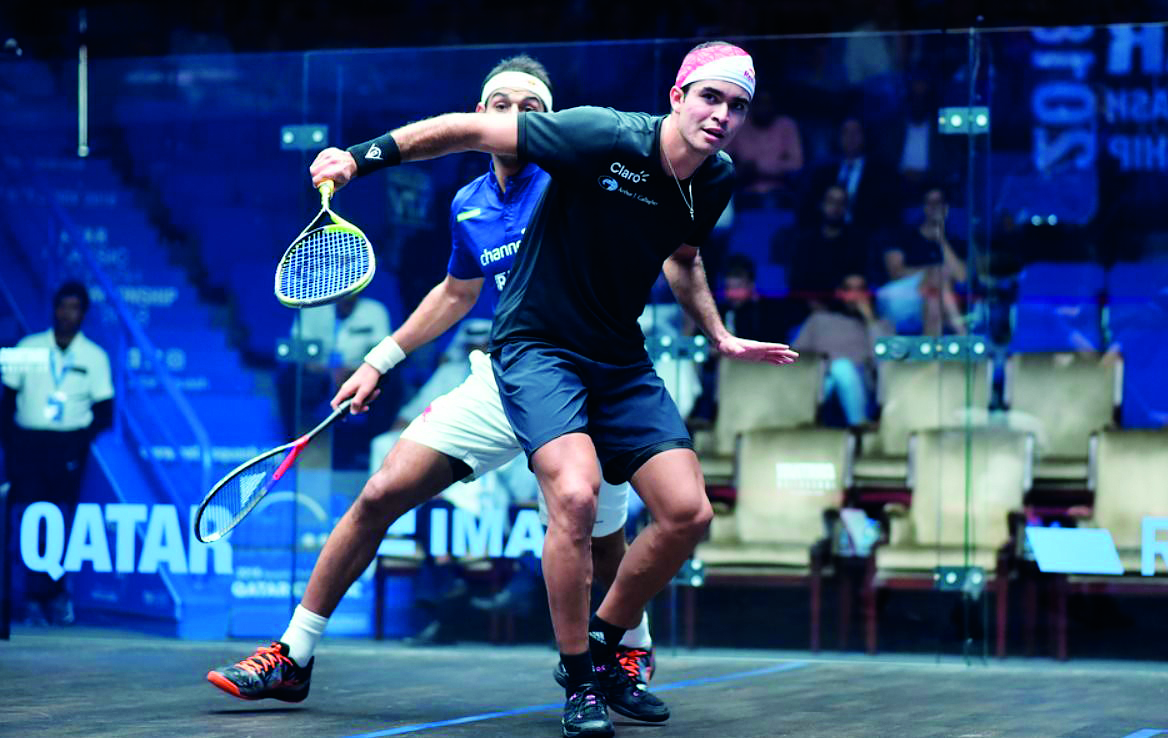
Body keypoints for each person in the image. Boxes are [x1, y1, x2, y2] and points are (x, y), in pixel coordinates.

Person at [302, 41, 796, 738]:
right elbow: (465, 142)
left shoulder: (713, 177)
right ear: (678, 95)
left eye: (737, 105)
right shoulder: (594, 137)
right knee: (571, 496)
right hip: (532, 354)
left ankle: (609, 648)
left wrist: (717, 333)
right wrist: (360, 157)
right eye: (709, 96)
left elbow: (682, 258)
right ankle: (580, 680)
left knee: (685, 514)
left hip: (617, 361)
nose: (721, 114)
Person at [208, 55, 657, 720]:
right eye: (499, 104)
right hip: (506, 376)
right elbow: (457, 290)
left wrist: (360, 158)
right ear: (482, 117)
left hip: (590, 379)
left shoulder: (574, 180)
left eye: (531, 109)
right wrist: (379, 362)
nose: (514, 117)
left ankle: (628, 649)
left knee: (600, 531)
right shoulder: (469, 204)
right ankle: (293, 655)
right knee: (381, 493)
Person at [0, 281, 114, 626]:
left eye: (74, 307)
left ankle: (54, 595)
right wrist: (13, 441)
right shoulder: (27, 346)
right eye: (62, 306)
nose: (67, 313)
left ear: (83, 313)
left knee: (60, 523)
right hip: (27, 446)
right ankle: (29, 599)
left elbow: (104, 412)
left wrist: (78, 442)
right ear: (53, 310)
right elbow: (6, 400)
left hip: (67, 448)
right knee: (27, 519)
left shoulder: (95, 356)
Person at [792, 274, 891, 427]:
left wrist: (870, 319)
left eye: (860, 289)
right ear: (839, 293)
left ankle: (858, 427)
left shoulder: (881, 325)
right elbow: (796, 357)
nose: (855, 295)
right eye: (849, 289)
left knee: (842, 367)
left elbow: (885, 361)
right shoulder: (819, 320)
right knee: (836, 370)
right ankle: (859, 427)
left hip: (860, 387)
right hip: (821, 383)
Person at [879, 185, 968, 336]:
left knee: (933, 298)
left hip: (939, 297)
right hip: (901, 297)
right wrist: (929, 272)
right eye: (930, 203)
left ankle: (929, 354)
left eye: (939, 203)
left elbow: (962, 276)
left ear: (946, 207)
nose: (934, 208)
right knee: (936, 275)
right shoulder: (903, 235)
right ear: (923, 207)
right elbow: (895, 272)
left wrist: (941, 240)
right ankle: (962, 332)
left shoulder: (956, 242)